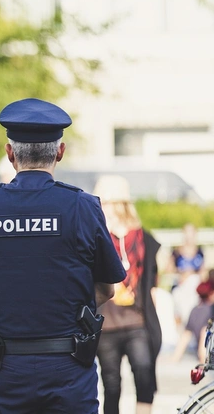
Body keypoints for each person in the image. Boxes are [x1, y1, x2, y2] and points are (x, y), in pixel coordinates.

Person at [0, 98, 126, 413]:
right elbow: (107, 289)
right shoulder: (83, 207)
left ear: (10, 153)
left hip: (2, 371)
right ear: (60, 151)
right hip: (68, 370)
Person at [93, 174, 162, 414]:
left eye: (105, 202)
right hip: (106, 324)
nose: (102, 208)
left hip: (136, 322)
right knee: (111, 386)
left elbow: (151, 283)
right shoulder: (96, 236)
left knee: (145, 376)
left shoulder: (142, 238)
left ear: (119, 204)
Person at [171, 223, 205, 327]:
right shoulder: (176, 252)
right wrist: (182, 274)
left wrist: (191, 274)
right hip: (180, 288)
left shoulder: (200, 252)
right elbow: (170, 271)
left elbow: (203, 273)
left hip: (194, 289)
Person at [172, 280, 214, 363]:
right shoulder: (211, 309)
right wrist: (204, 358)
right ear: (211, 293)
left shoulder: (195, 310)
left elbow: (186, 336)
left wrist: (175, 358)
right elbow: (205, 333)